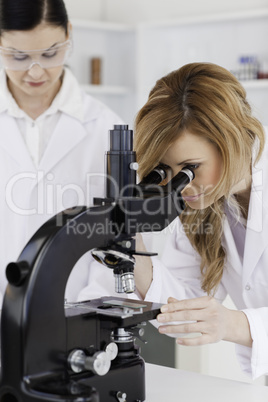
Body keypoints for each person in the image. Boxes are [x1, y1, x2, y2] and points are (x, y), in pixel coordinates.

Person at [132, 62, 268, 380]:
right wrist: (130, 240)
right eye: (165, 171)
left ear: (231, 140)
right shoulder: (200, 207)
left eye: (191, 167)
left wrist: (233, 324)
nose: (183, 185)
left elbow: (217, 320)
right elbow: (181, 308)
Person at [0, 0, 123, 308]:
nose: (35, 70)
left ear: (69, 34)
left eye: (50, 53)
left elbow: (118, 235)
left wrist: (86, 312)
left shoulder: (107, 128)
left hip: (75, 320)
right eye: (18, 56)